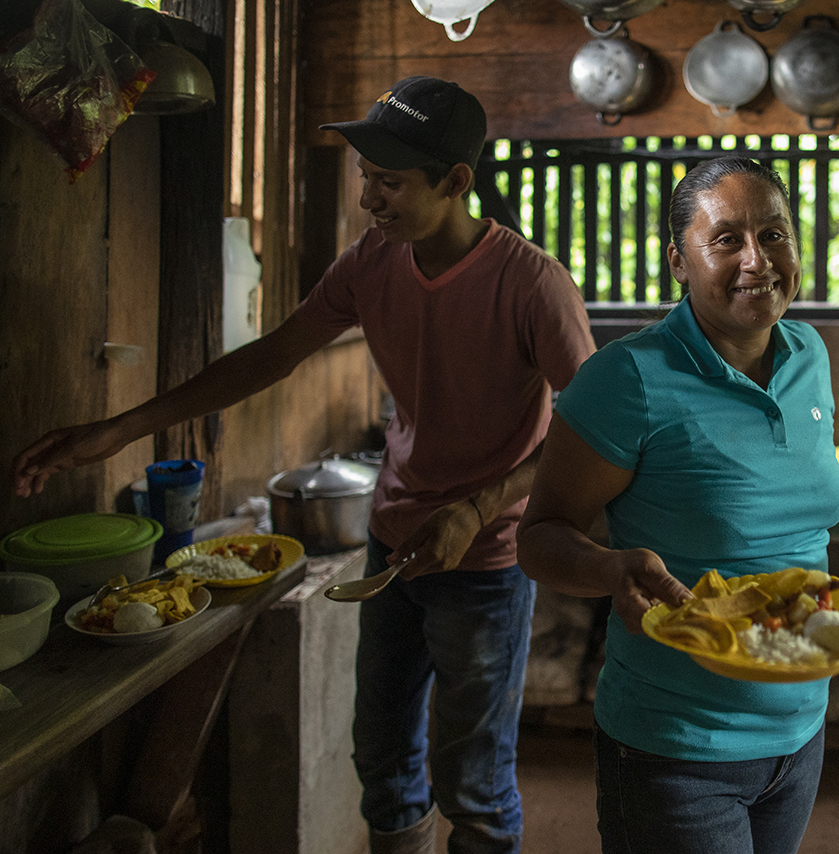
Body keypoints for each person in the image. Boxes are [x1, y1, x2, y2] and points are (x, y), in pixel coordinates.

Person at [11, 76, 596, 854]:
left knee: (475, 781)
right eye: (365, 177)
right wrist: (121, 428)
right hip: (392, 542)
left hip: (484, 563)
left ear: (455, 182)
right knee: (382, 759)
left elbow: (590, 428)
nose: (368, 199)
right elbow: (273, 355)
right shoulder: (371, 264)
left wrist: (482, 506)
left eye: (389, 182)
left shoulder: (531, 283)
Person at [515, 155, 839, 854]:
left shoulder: (807, 354)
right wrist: (609, 571)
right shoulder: (628, 379)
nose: (758, 259)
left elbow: (821, 505)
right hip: (677, 746)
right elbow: (540, 536)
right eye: (727, 239)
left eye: (775, 234)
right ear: (678, 260)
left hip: (799, 731)